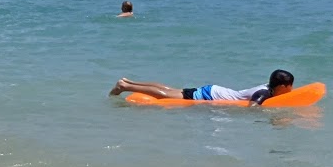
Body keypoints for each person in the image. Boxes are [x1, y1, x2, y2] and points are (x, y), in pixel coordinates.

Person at [110, 69, 295, 105]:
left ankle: (127, 83)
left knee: (168, 89)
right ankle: (125, 86)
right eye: (290, 87)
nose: (292, 90)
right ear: (282, 86)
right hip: (208, 96)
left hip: (213, 90)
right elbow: (254, 108)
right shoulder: (263, 93)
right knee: (164, 95)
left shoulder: (267, 86)